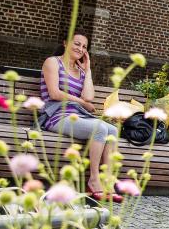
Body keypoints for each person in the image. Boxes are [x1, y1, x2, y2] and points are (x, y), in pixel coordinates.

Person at [39, 33, 123, 201]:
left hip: (77, 116)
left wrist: (88, 70)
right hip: (56, 115)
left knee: (112, 130)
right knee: (99, 128)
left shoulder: (81, 71)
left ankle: (107, 182)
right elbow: (54, 93)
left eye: (84, 47)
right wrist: (82, 103)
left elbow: (89, 97)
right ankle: (93, 180)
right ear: (65, 43)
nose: (80, 48)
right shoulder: (52, 62)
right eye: (76, 44)